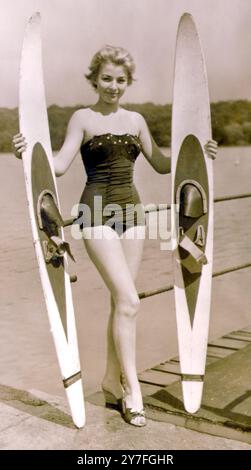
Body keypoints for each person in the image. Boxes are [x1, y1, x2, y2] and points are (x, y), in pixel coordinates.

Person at [12, 45, 218, 427]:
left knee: (120, 304)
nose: (113, 86)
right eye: (106, 79)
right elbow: (56, 166)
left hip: (134, 215)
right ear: (94, 79)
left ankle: (109, 380)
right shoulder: (82, 119)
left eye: (121, 80)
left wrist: (200, 153)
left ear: (128, 83)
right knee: (129, 300)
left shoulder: (137, 121)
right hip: (94, 214)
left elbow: (160, 165)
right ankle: (132, 389)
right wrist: (25, 151)